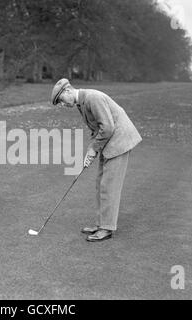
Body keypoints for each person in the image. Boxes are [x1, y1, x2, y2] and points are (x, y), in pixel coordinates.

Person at [51, 79, 142, 242]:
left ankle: (107, 228)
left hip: (119, 142)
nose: (62, 105)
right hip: (109, 142)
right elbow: (97, 127)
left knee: (109, 186)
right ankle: (101, 224)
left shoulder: (92, 98)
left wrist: (93, 149)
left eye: (61, 100)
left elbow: (107, 127)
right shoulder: (82, 102)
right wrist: (90, 152)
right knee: (101, 184)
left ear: (67, 91)